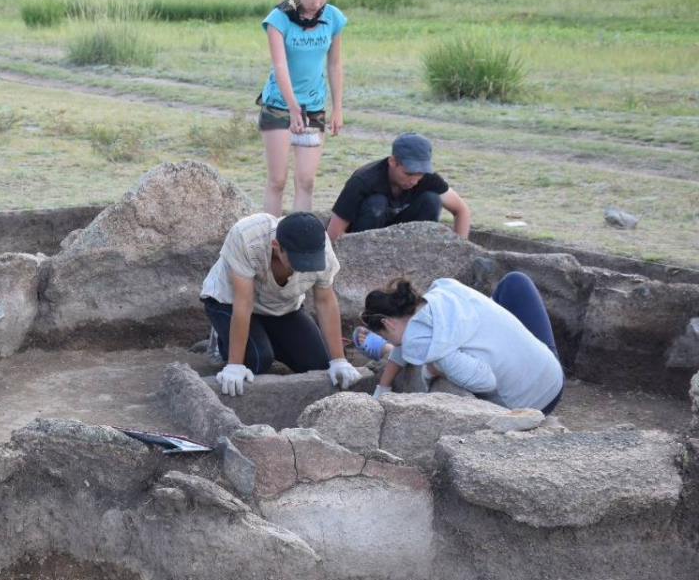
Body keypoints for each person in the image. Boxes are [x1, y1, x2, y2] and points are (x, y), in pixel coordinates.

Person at [201, 211, 363, 396]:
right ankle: (221, 339)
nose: (304, 267)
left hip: (280, 306)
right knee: (255, 361)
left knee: (320, 364)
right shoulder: (247, 235)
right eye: (298, 261)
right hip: (228, 301)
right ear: (277, 246)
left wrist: (338, 360)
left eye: (311, 262)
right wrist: (235, 365)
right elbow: (244, 302)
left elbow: (325, 302)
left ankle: (262, 337)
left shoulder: (321, 247)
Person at [362, 274, 564, 412]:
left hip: (534, 401)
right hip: (546, 364)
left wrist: (434, 370)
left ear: (388, 323)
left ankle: (383, 350)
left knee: (445, 365)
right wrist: (383, 386)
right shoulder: (439, 295)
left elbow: (485, 382)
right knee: (515, 282)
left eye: (386, 337)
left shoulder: (438, 350)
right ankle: (385, 349)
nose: (396, 343)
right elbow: (404, 337)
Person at [257, 0, 346, 217]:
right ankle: (270, 238)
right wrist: (294, 108)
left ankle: (298, 241)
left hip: (314, 106)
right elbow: (280, 66)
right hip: (279, 105)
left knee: (306, 180)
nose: (317, 3)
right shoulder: (279, 18)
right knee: (278, 180)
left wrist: (337, 107)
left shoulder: (333, 17)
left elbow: (335, 63)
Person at [326, 133, 470, 241]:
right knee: (376, 203)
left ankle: (419, 254)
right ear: (392, 161)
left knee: (432, 200)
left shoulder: (426, 177)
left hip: (402, 243)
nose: (414, 180)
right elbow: (333, 234)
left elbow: (461, 210)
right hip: (362, 241)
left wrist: (459, 249)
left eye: (420, 174)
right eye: (408, 173)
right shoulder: (363, 181)